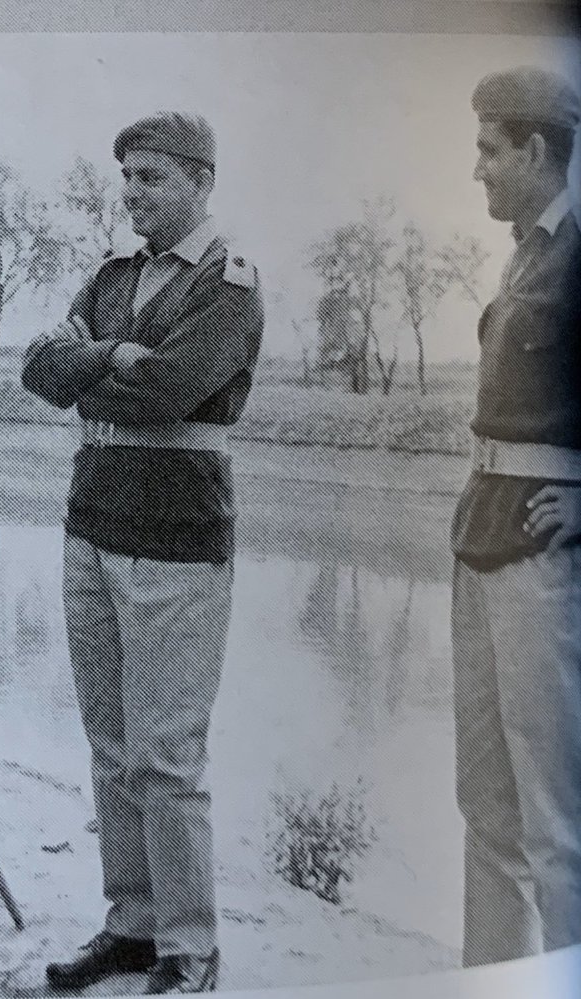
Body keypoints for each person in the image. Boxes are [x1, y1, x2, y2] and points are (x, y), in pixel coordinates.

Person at [23, 113, 264, 994]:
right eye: (125, 176)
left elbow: (169, 389)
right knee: (111, 744)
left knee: (166, 753)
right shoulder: (110, 276)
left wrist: (94, 364)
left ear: (200, 181)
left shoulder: (227, 282)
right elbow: (37, 373)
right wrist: (110, 350)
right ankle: (131, 923)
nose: (131, 193)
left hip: (177, 536)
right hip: (92, 524)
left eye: (151, 178)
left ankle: (189, 946)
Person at [452, 66, 581, 967]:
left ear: (537, 149)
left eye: (491, 151)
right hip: (482, 531)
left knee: (557, 820)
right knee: (487, 804)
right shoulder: (527, 251)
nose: (479, 170)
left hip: (543, 547)